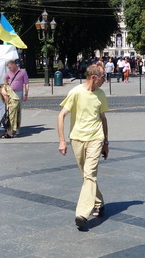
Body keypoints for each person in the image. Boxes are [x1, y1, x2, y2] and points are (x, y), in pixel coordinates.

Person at [57, 64, 109, 230]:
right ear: (94, 77)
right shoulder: (76, 92)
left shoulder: (100, 94)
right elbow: (61, 116)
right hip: (77, 139)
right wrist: (62, 140)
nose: (105, 80)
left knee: (89, 173)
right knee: (87, 176)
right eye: (103, 77)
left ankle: (82, 213)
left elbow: (103, 118)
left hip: (96, 138)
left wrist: (106, 142)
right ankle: (99, 202)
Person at [4, 60, 29, 136]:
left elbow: (26, 83)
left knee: (18, 111)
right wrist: (7, 86)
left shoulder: (22, 72)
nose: (9, 69)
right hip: (11, 92)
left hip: (19, 93)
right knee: (11, 111)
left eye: (10, 67)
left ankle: (17, 128)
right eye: (8, 68)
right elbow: (5, 78)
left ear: (14, 65)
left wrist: (26, 94)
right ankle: (11, 128)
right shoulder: (9, 72)